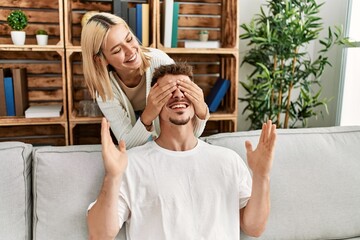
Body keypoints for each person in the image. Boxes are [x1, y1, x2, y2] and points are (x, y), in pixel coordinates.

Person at [87, 63, 277, 239]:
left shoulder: (228, 160)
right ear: (153, 102)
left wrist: (262, 175)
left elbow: (254, 228)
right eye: (168, 90)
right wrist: (112, 177)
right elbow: (100, 234)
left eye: (186, 89)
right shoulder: (130, 164)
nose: (178, 95)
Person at [81, 12, 209, 148]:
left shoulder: (161, 63)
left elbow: (192, 132)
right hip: (140, 127)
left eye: (129, 39)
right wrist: (148, 114)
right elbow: (127, 145)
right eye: (117, 50)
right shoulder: (104, 89)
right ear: (100, 59)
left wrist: (201, 110)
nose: (130, 51)